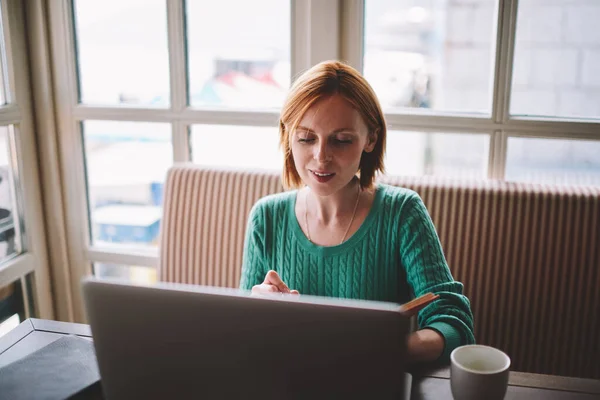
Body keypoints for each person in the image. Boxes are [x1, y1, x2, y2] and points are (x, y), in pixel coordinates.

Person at [239, 60, 475, 364]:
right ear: (287, 136)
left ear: (371, 139)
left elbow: (454, 324)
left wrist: (385, 352)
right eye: (306, 138)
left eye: (341, 140)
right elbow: (242, 338)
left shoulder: (402, 213)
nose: (321, 157)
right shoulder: (266, 218)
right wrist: (256, 311)